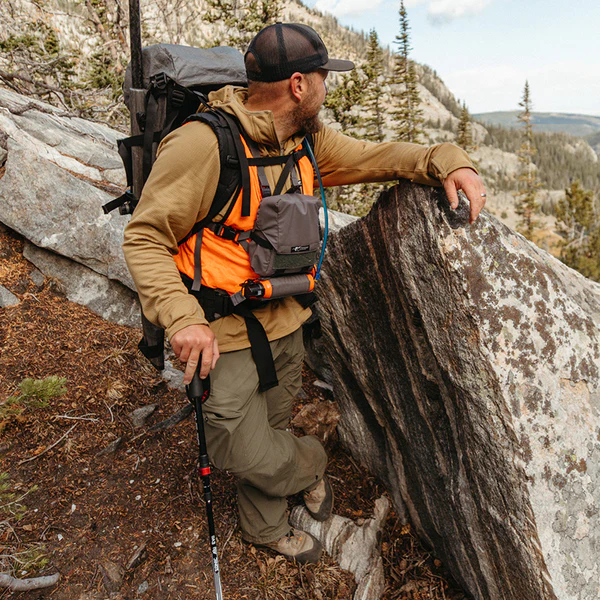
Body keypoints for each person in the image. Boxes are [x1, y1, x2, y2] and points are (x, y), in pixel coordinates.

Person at [122, 22, 486, 564]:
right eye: (321, 78)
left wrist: (447, 158)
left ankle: (263, 527)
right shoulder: (203, 144)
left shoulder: (307, 141)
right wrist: (182, 318)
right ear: (298, 85)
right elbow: (145, 236)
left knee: (270, 425)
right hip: (222, 329)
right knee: (234, 445)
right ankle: (311, 464)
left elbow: (376, 157)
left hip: (288, 316)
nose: (324, 87)